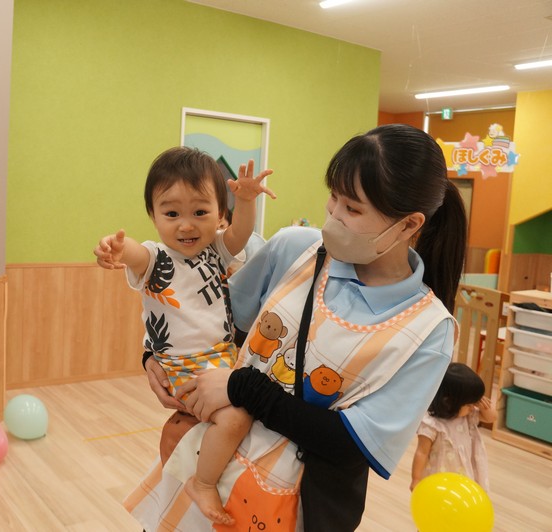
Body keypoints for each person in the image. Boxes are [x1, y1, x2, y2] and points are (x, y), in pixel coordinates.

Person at [123, 124, 468, 531]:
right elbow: (209, 314)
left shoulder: (429, 330)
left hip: (289, 507)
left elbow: (351, 444)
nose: (334, 216)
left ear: (409, 224)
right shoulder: (295, 248)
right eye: (334, 198)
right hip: (202, 468)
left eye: (353, 209)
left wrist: (242, 387)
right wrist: (152, 356)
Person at [94, 146, 276, 525]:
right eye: (172, 213)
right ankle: (202, 483)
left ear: (220, 214)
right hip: (184, 368)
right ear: (154, 215)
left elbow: (241, 233)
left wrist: (245, 200)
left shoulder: (215, 251)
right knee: (235, 418)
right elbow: (135, 253)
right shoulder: (156, 259)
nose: (186, 225)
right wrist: (117, 247)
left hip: (224, 359)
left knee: (247, 416)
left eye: (200, 212)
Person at [410, 362, 496, 493]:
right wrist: (416, 479)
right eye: (469, 404)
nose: (473, 407)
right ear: (448, 402)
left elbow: (491, 418)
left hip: (464, 476)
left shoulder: (467, 416)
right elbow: (422, 452)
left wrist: (483, 405)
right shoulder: (431, 424)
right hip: (438, 477)